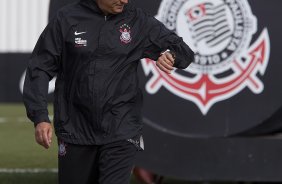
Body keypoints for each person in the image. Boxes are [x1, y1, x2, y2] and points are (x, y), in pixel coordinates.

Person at [23, 0, 194, 183]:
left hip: (121, 129)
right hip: (75, 130)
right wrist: (40, 116)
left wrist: (171, 56)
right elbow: (40, 68)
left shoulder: (137, 20)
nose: (124, 1)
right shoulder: (66, 18)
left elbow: (184, 51)